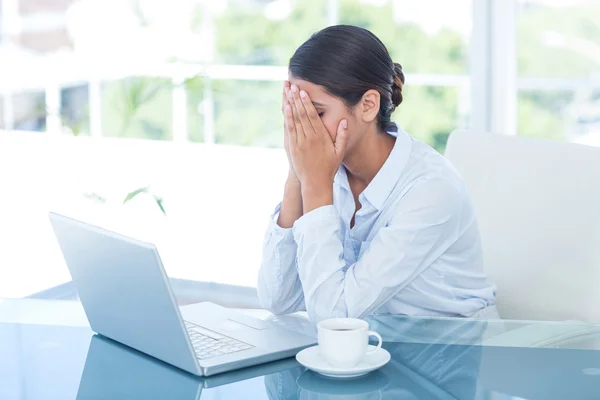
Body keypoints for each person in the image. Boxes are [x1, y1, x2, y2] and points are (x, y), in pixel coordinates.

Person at [257, 25, 497, 324]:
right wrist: (297, 173)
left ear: (368, 105)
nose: (302, 128)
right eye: (294, 113)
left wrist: (315, 184)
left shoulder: (430, 190)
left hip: (451, 354)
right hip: (377, 346)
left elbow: (333, 317)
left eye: (315, 114)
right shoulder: (325, 169)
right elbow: (277, 299)